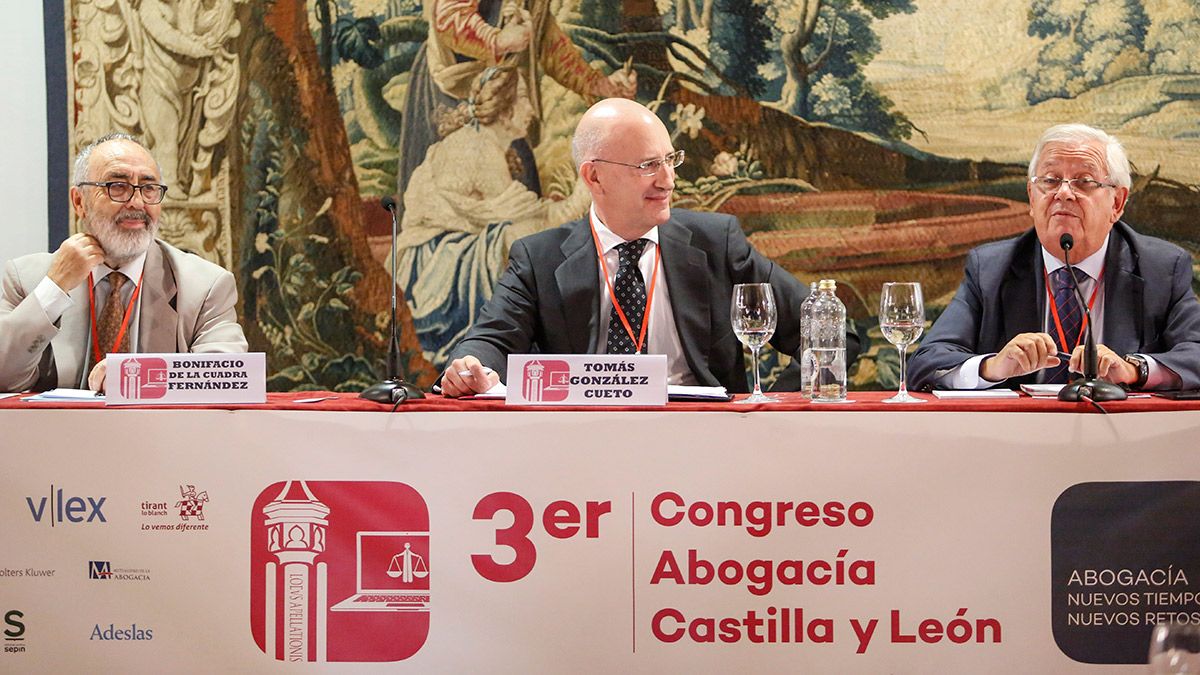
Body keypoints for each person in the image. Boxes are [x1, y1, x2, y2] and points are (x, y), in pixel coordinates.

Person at [440, 98, 860, 397]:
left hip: (707, 445)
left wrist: (773, 405)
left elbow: (834, 332)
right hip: (581, 446)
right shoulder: (539, 258)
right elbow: (489, 342)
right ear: (594, 177)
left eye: (669, 160)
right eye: (647, 166)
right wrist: (469, 368)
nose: (667, 180)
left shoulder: (718, 243)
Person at [908, 123, 1200, 392]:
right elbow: (926, 363)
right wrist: (992, 366)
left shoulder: (1161, 268)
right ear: (1032, 198)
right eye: (1050, 180)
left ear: (1117, 202)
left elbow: (1196, 353)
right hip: (1018, 440)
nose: (1064, 193)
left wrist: (1134, 369)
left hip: (1124, 437)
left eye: (1084, 182)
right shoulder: (990, 269)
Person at [0, 133, 247, 392]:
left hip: (160, 433)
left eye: (149, 188)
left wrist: (137, 376)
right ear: (79, 202)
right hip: (55, 433)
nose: (137, 202)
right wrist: (55, 288)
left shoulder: (206, 286)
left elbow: (228, 378)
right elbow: (5, 376)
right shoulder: (27, 278)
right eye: (118, 186)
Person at [396, 66, 591, 370]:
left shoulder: (488, 143)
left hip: (448, 254)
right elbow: (542, 221)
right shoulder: (478, 147)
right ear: (504, 106)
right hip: (435, 267)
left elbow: (531, 212)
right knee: (521, 236)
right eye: (524, 98)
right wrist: (587, 185)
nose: (531, 108)